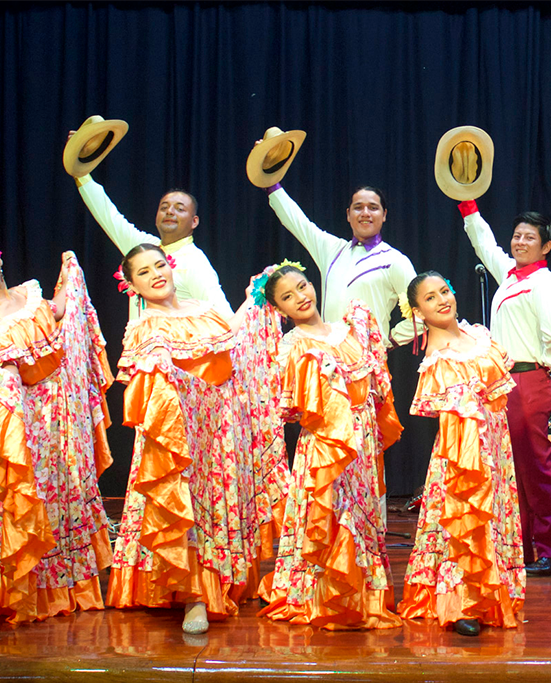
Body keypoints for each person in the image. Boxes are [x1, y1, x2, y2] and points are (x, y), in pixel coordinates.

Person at [108, 244, 286, 634]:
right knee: (183, 508)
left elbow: (233, 339)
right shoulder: (144, 325)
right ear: (132, 284)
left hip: (218, 430)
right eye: (143, 272)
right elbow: (152, 384)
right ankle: (194, 595)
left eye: (159, 265)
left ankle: (222, 581)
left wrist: (256, 296)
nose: (156, 274)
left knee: (214, 508)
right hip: (180, 435)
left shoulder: (203, 310)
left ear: (171, 267)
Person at [0, 237, 113, 631]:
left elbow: (61, 314)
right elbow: (3, 373)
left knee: (60, 493)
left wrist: (70, 272)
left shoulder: (29, 292)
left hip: (58, 414)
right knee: (12, 499)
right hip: (23, 421)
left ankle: (61, 587)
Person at [257, 263, 404, 629]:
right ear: (280, 310)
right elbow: (288, 408)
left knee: (362, 514)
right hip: (325, 444)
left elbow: (374, 382)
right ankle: (320, 592)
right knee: (329, 515)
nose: (300, 298)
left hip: (363, 439)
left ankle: (364, 591)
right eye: (287, 297)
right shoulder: (291, 346)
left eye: (302, 287)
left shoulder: (350, 328)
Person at [397, 272, 525, 636]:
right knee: (465, 518)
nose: (441, 300)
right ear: (418, 311)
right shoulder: (437, 357)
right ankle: (460, 599)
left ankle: (490, 592)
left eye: (444, 291)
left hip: (496, 446)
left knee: (492, 515)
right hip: (463, 453)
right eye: (429, 298)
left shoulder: (478, 335)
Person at [457, 200, 551, 576]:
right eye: (517, 236)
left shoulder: (543, 281)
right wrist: (468, 205)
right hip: (506, 379)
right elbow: (485, 244)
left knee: (536, 464)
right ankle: (519, 546)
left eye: (530, 238)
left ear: (546, 246)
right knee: (511, 467)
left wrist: (547, 364)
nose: (520, 242)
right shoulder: (511, 276)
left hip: (527, 377)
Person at [67, 135, 230, 319]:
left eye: (179, 209)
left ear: (194, 222)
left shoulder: (194, 262)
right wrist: (80, 167)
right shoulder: (144, 248)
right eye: (164, 207)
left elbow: (225, 317)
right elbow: (108, 216)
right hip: (138, 344)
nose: (170, 212)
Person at [260, 175, 419, 345]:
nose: (365, 213)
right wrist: (272, 186)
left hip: (368, 362)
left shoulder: (395, 260)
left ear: (384, 214)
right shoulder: (332, 250)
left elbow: (422, 312)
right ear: (348, 215)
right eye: (358, 208)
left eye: (373, 208)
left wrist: (388, 342)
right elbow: (299, 223)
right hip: (328, 357)